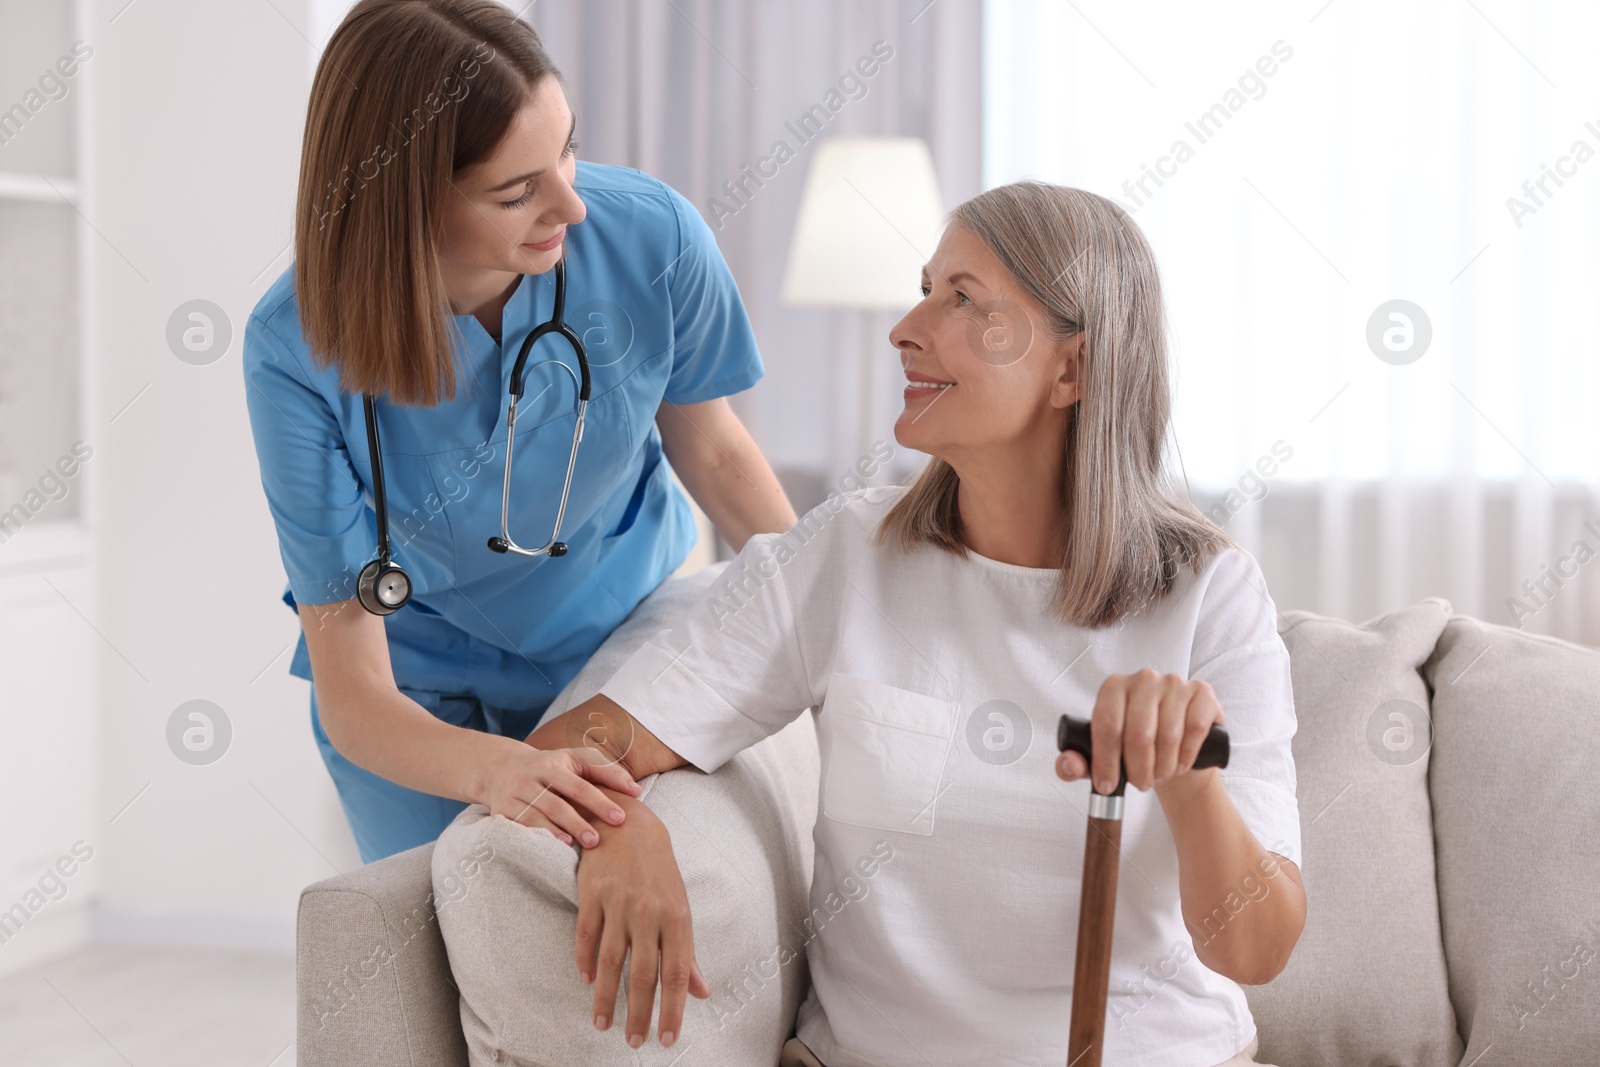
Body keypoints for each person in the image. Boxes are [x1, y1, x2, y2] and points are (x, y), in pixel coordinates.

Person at [524, 182, 1308, 1065]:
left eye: (963, 299)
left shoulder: (1211, 594)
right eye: (927, 287)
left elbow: (1259, 949)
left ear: (1072, 370)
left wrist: (1188, 777)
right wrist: (619, 824)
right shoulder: (848, 552)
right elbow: (575, 738)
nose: (907, 325)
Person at [241, 0, 795, 864]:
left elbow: (717, 454)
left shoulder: (650, 236)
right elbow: (354, 688)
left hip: (619, 640)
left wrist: (821, 621)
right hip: (414, 697)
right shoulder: (295, 348)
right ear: (405, 202)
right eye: (516, 190)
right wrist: (495, 771)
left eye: (567, 147)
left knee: (581, 917)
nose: (571, 205)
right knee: (433, 939)